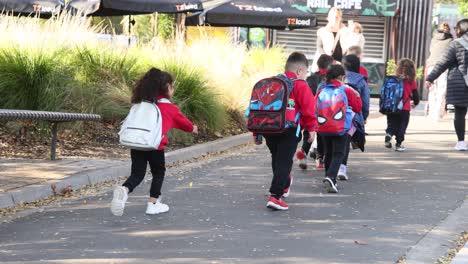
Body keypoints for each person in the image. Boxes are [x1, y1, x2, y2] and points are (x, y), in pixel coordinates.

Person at [111, 68, 198, 216]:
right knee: (158, 172)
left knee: (137, 174)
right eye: (171, 86)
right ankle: (153, 204)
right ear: (167, 88)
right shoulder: (169, 108)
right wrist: (194, 128)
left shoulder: (140, 105)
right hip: (155, 146)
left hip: (137, 143)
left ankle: (125, 190)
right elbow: (186, 124)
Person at [259, 52, 317, 211]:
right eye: (305, 72)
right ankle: (275, 196)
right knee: (284, 161)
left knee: (277, 159)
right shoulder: (301, 84)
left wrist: (256, 131)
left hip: (269, 127)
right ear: (299, 71)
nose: (305, 75)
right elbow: (308, 110)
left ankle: (283, 184)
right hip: (290, 129)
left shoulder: (272, 82)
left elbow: (260, 106)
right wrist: (311, 129)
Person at [316, 65, 362, 193]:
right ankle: (331, 177)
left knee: (328, 152)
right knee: (338, 153)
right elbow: (357, 108)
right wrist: (357, 95)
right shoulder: (346, 90)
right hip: (341, 128)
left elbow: (315, 107)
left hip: (324, 127)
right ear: (342, 77)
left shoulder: (322, 91)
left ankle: (329, 178)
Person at [426, 19, 468, 151]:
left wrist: (430, 78)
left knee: (460, 113)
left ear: (460, 29)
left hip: (460, 83)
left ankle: (461, 142)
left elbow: (443, 62)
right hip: (460, 83)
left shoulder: (456, 44)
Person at [296, 54, 334, 170]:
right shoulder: (329, 80)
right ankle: (320, 158)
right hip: (324, 112)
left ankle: (303, 152)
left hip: (309, 111)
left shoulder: (310, 79)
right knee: (322, 136)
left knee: (308, 133)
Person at [338, 55, 370, 180]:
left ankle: (329, 165)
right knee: (345, 141)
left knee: (334, 140)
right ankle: (342, 167)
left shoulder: (337, 78)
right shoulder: (361, 81)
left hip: (334, 114)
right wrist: (364, 116)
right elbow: (365, 101)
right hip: (352, 117)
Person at [385, 59, 420, 152]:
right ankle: (398, 144)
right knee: (402, 126)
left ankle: (389, 134)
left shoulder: (394, 79)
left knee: (392, 123)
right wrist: (415, 103)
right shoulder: (411, 81)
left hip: (392, 107)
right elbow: (416, 97)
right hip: (404, 108)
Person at [425, 22, 454, 122]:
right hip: (443, 68)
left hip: (431, 66)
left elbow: (431, 52)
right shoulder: (451, 40)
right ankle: (437, 114)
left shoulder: (434, 39)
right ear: (448, 30)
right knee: (441, 91)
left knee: (432, 91)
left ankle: (431, 113)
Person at [312, 7, 346, 72]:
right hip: (324, 65)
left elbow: (349, 48)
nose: (335, 19)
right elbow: (319, 47)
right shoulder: (322, 31)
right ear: (328, 18)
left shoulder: (346, 31)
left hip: (339, 65)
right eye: (333, 17)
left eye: (337, 17)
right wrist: (328, 60)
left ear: (340, 18)